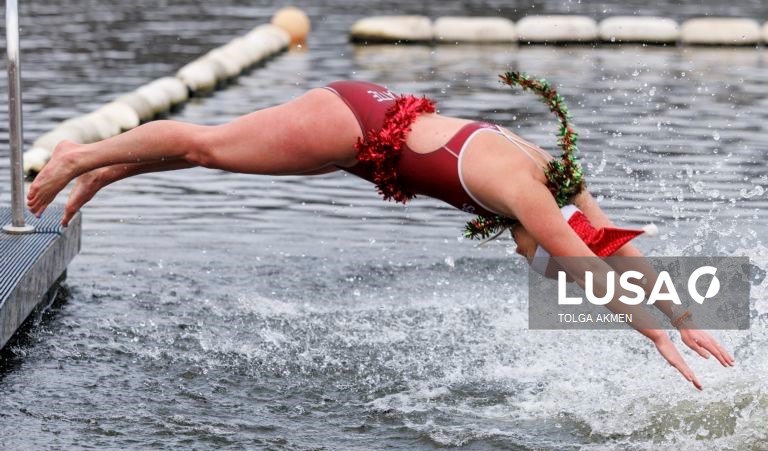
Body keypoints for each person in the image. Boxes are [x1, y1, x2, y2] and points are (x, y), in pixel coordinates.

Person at [26, 75, 734, 389]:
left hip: (376, 134)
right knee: (211, 146)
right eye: (534, 254)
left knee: (218, 157)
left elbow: (611, 242)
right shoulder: (533, 199)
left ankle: (102, 175)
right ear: (538, 229)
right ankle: (78, 157)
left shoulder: (560, 180)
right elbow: (585, 263)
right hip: (355, 127)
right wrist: (660, 337)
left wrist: (685, 311)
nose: (531, 259)